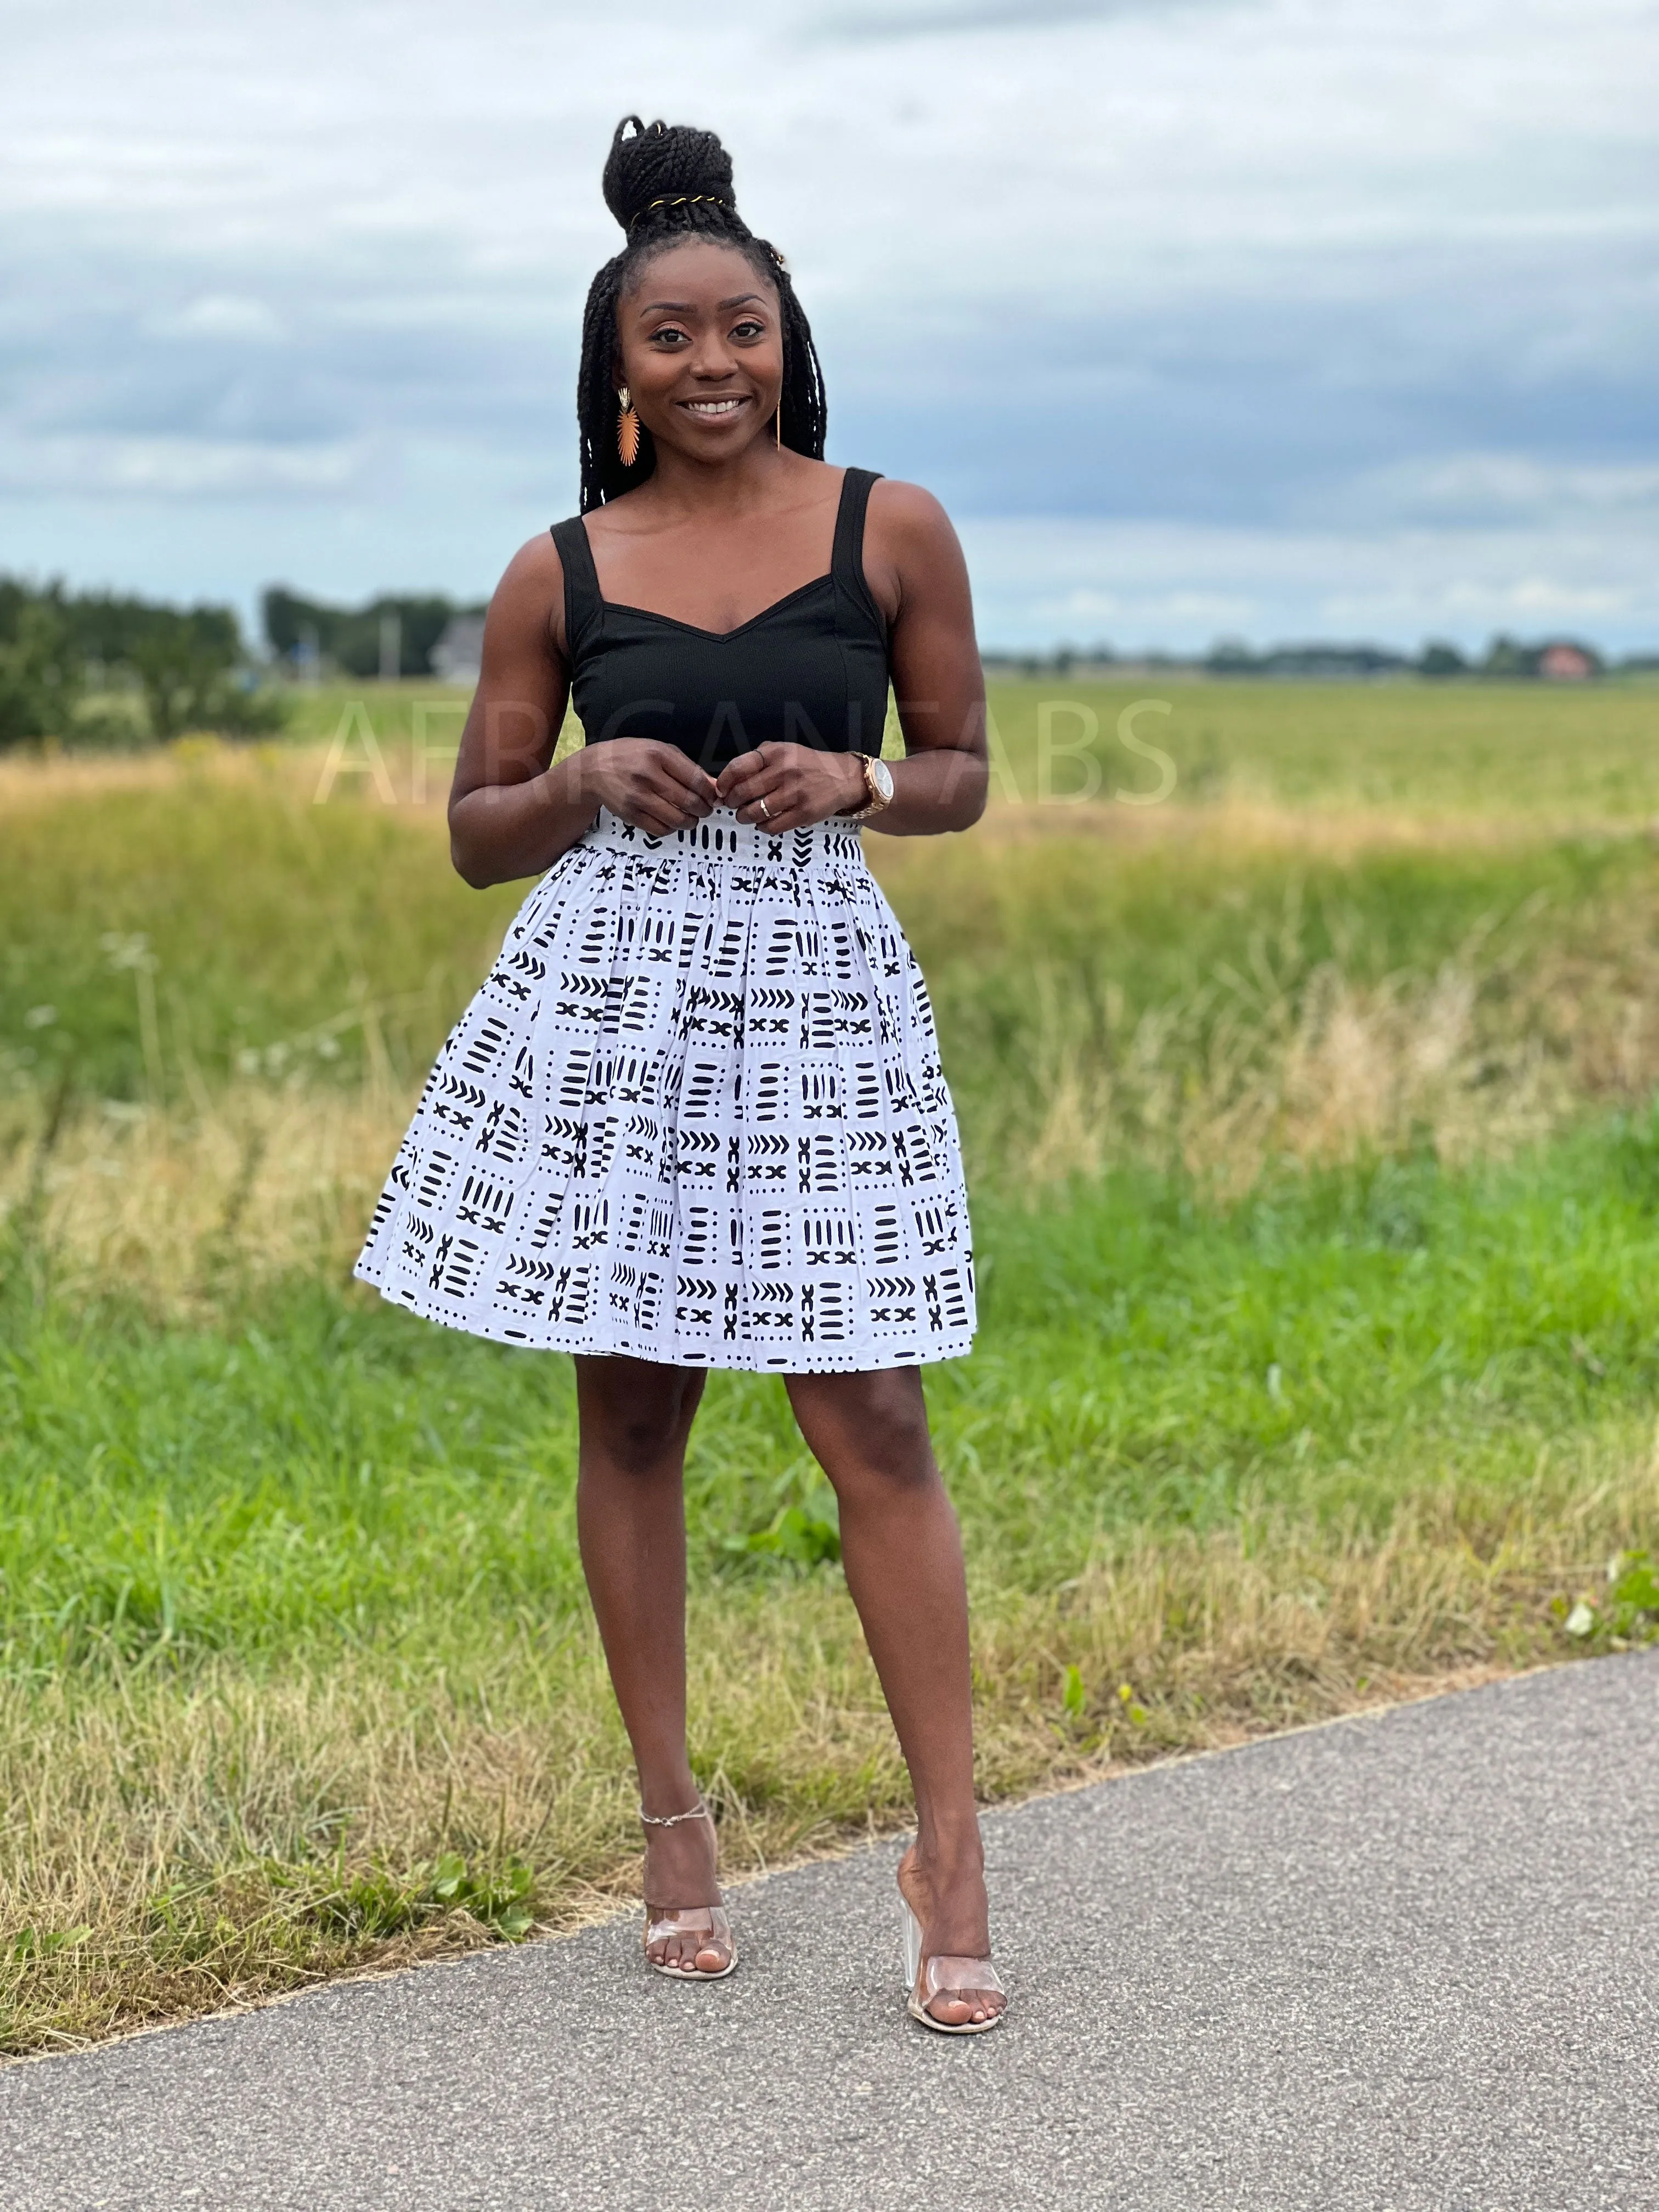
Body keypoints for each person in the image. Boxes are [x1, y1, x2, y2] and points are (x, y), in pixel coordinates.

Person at [356, 115, 1003, 2033]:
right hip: (614, 1017)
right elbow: (475, 830)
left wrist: (866, 779)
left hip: (818, 1001)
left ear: (786, 342)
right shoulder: (558, 567)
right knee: (633, 1416)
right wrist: (571, 784)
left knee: (870, 1418)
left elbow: (965, 769)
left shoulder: (889, 524)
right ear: (616, 369)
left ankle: (949, 1844)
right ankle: (670, 1819)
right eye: (670, 337)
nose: (711, 363)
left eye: (742, 330)